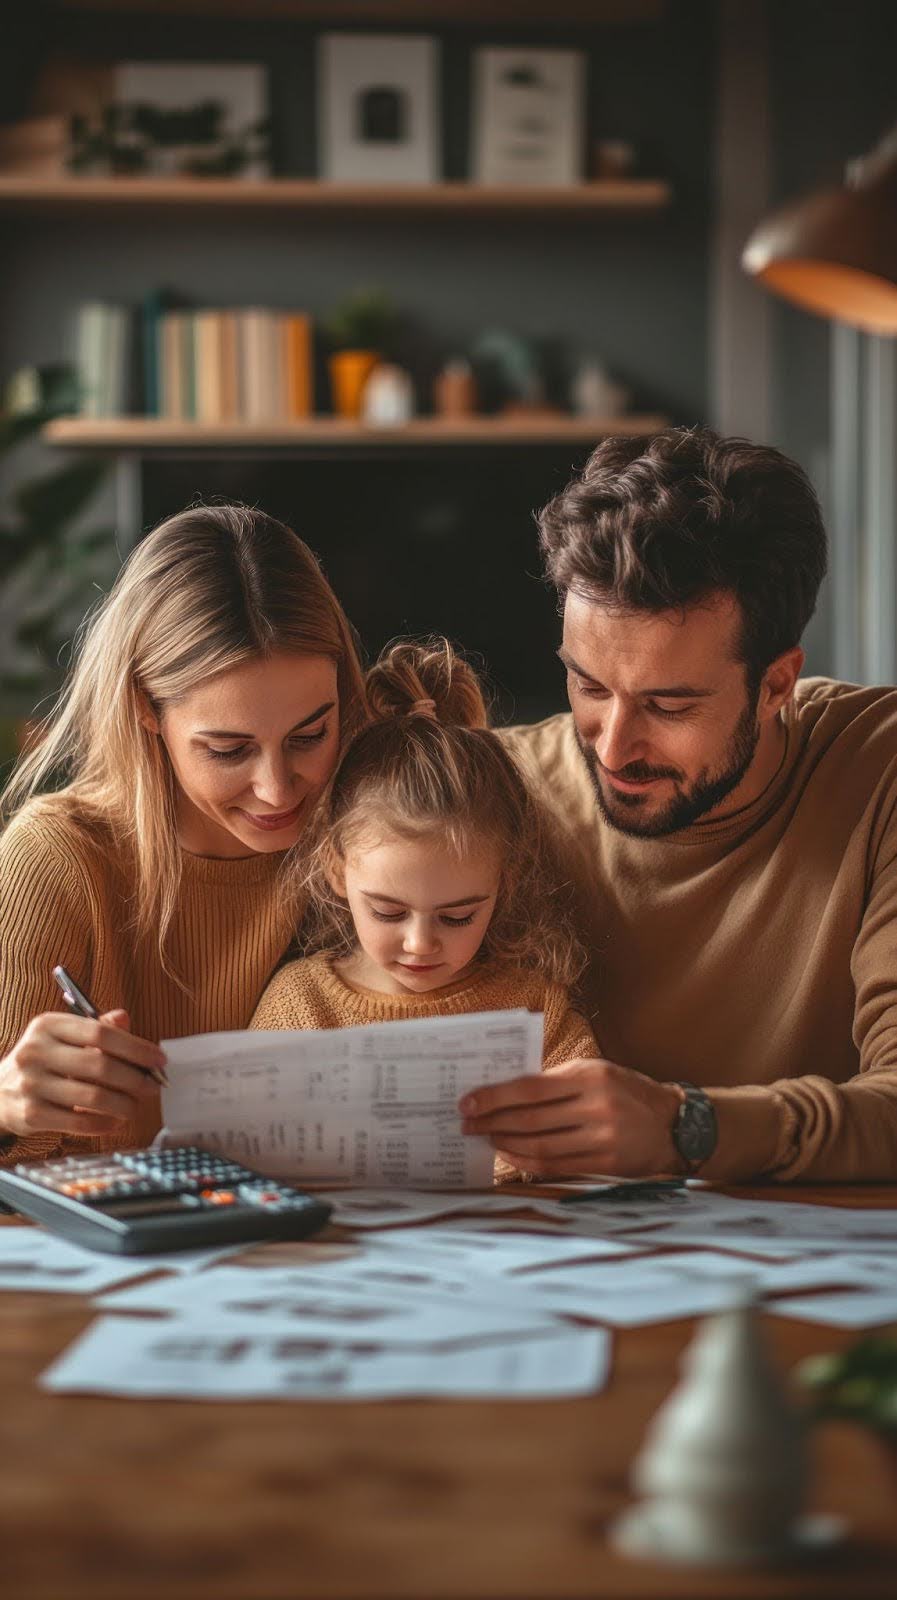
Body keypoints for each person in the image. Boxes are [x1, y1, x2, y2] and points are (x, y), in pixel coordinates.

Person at [461, 425, 897, 1184]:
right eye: (589, 687)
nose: (611, 746)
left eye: (667, 704)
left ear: (774, 685)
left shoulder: (877, 769)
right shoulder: (492, 791)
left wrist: (686, 1126)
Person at [0, 503, 365, 1166]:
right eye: (228, 750)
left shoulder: (378, 826)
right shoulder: (55, 860)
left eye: (310, 736)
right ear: (145, 707)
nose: (279, 790)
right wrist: (5, 1107)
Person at [249, 639, 598, 1166]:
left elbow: (592, 1136)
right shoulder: (302, 1006)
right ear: (336, 868)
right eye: (387, 912)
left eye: (458, 916)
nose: (420, 943)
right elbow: (251, 1147)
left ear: (505, 881)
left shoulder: (533, 1012)